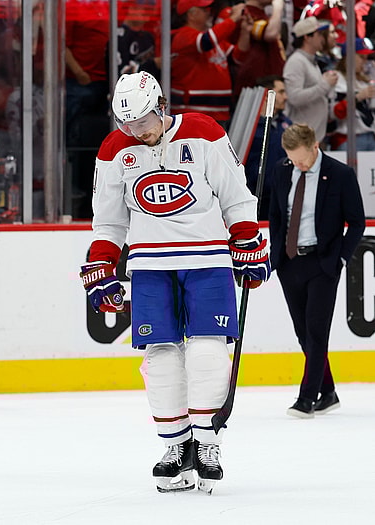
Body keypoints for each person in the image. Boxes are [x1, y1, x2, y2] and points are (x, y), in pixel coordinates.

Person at [81, 71, 270, 493]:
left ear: (161, 106)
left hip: (207, 259)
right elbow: (108, 221)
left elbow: (235, 195)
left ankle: (207, 443)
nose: (137, 131)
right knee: (161, 356)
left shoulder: (203, 132)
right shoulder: (114, 149)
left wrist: (247, 239)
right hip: (149, 264)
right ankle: (175, 446)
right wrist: (101, 264)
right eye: (128, 124)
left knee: (207, 352)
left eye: (143, 121)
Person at [268, 123, 365, 418]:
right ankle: (329, 391)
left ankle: (306, 397)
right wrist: (276, 254)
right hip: (289, 262)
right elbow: (275, 215)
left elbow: (357, 222)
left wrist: (340, 259)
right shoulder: (282, 170)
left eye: (302, 159)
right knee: (303, 333)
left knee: (316, 331)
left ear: (315, 146)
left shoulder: (340, 174)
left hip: (323, 264)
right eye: (292, 160)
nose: (298, 165)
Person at [171, 0, 251, 125]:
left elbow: (237, 58)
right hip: (192, 113)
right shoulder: (183, 36)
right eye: (204, 10)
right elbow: (206, 41)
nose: (209, 13)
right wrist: (233, 18)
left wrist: (245, 31)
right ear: (191, 14)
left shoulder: (215, 40)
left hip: (219, 113)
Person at [283, 16, 338, 148]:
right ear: (307, 37)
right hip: (301, 140)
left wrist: (326, 83)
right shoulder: (296, 61)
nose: (322, 38)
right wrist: (325, 85)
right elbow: (294, 97)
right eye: (319, 34)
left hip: (313, 137)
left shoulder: (311, 61)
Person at [245, 75, 292, 220]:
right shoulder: (248, 126)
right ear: (267, 95)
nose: (286, 97)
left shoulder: (286, 123)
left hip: (281, 193)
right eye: (281, 92)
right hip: (255, 195)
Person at [329, 38, 375, 151]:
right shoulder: (336, 79)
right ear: (348, 57)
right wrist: (358, 97)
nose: (364, 61)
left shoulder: (364, 80)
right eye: (361, 57)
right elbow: (334, 113)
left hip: (371, 136)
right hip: (348, 138)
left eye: (366, 58)